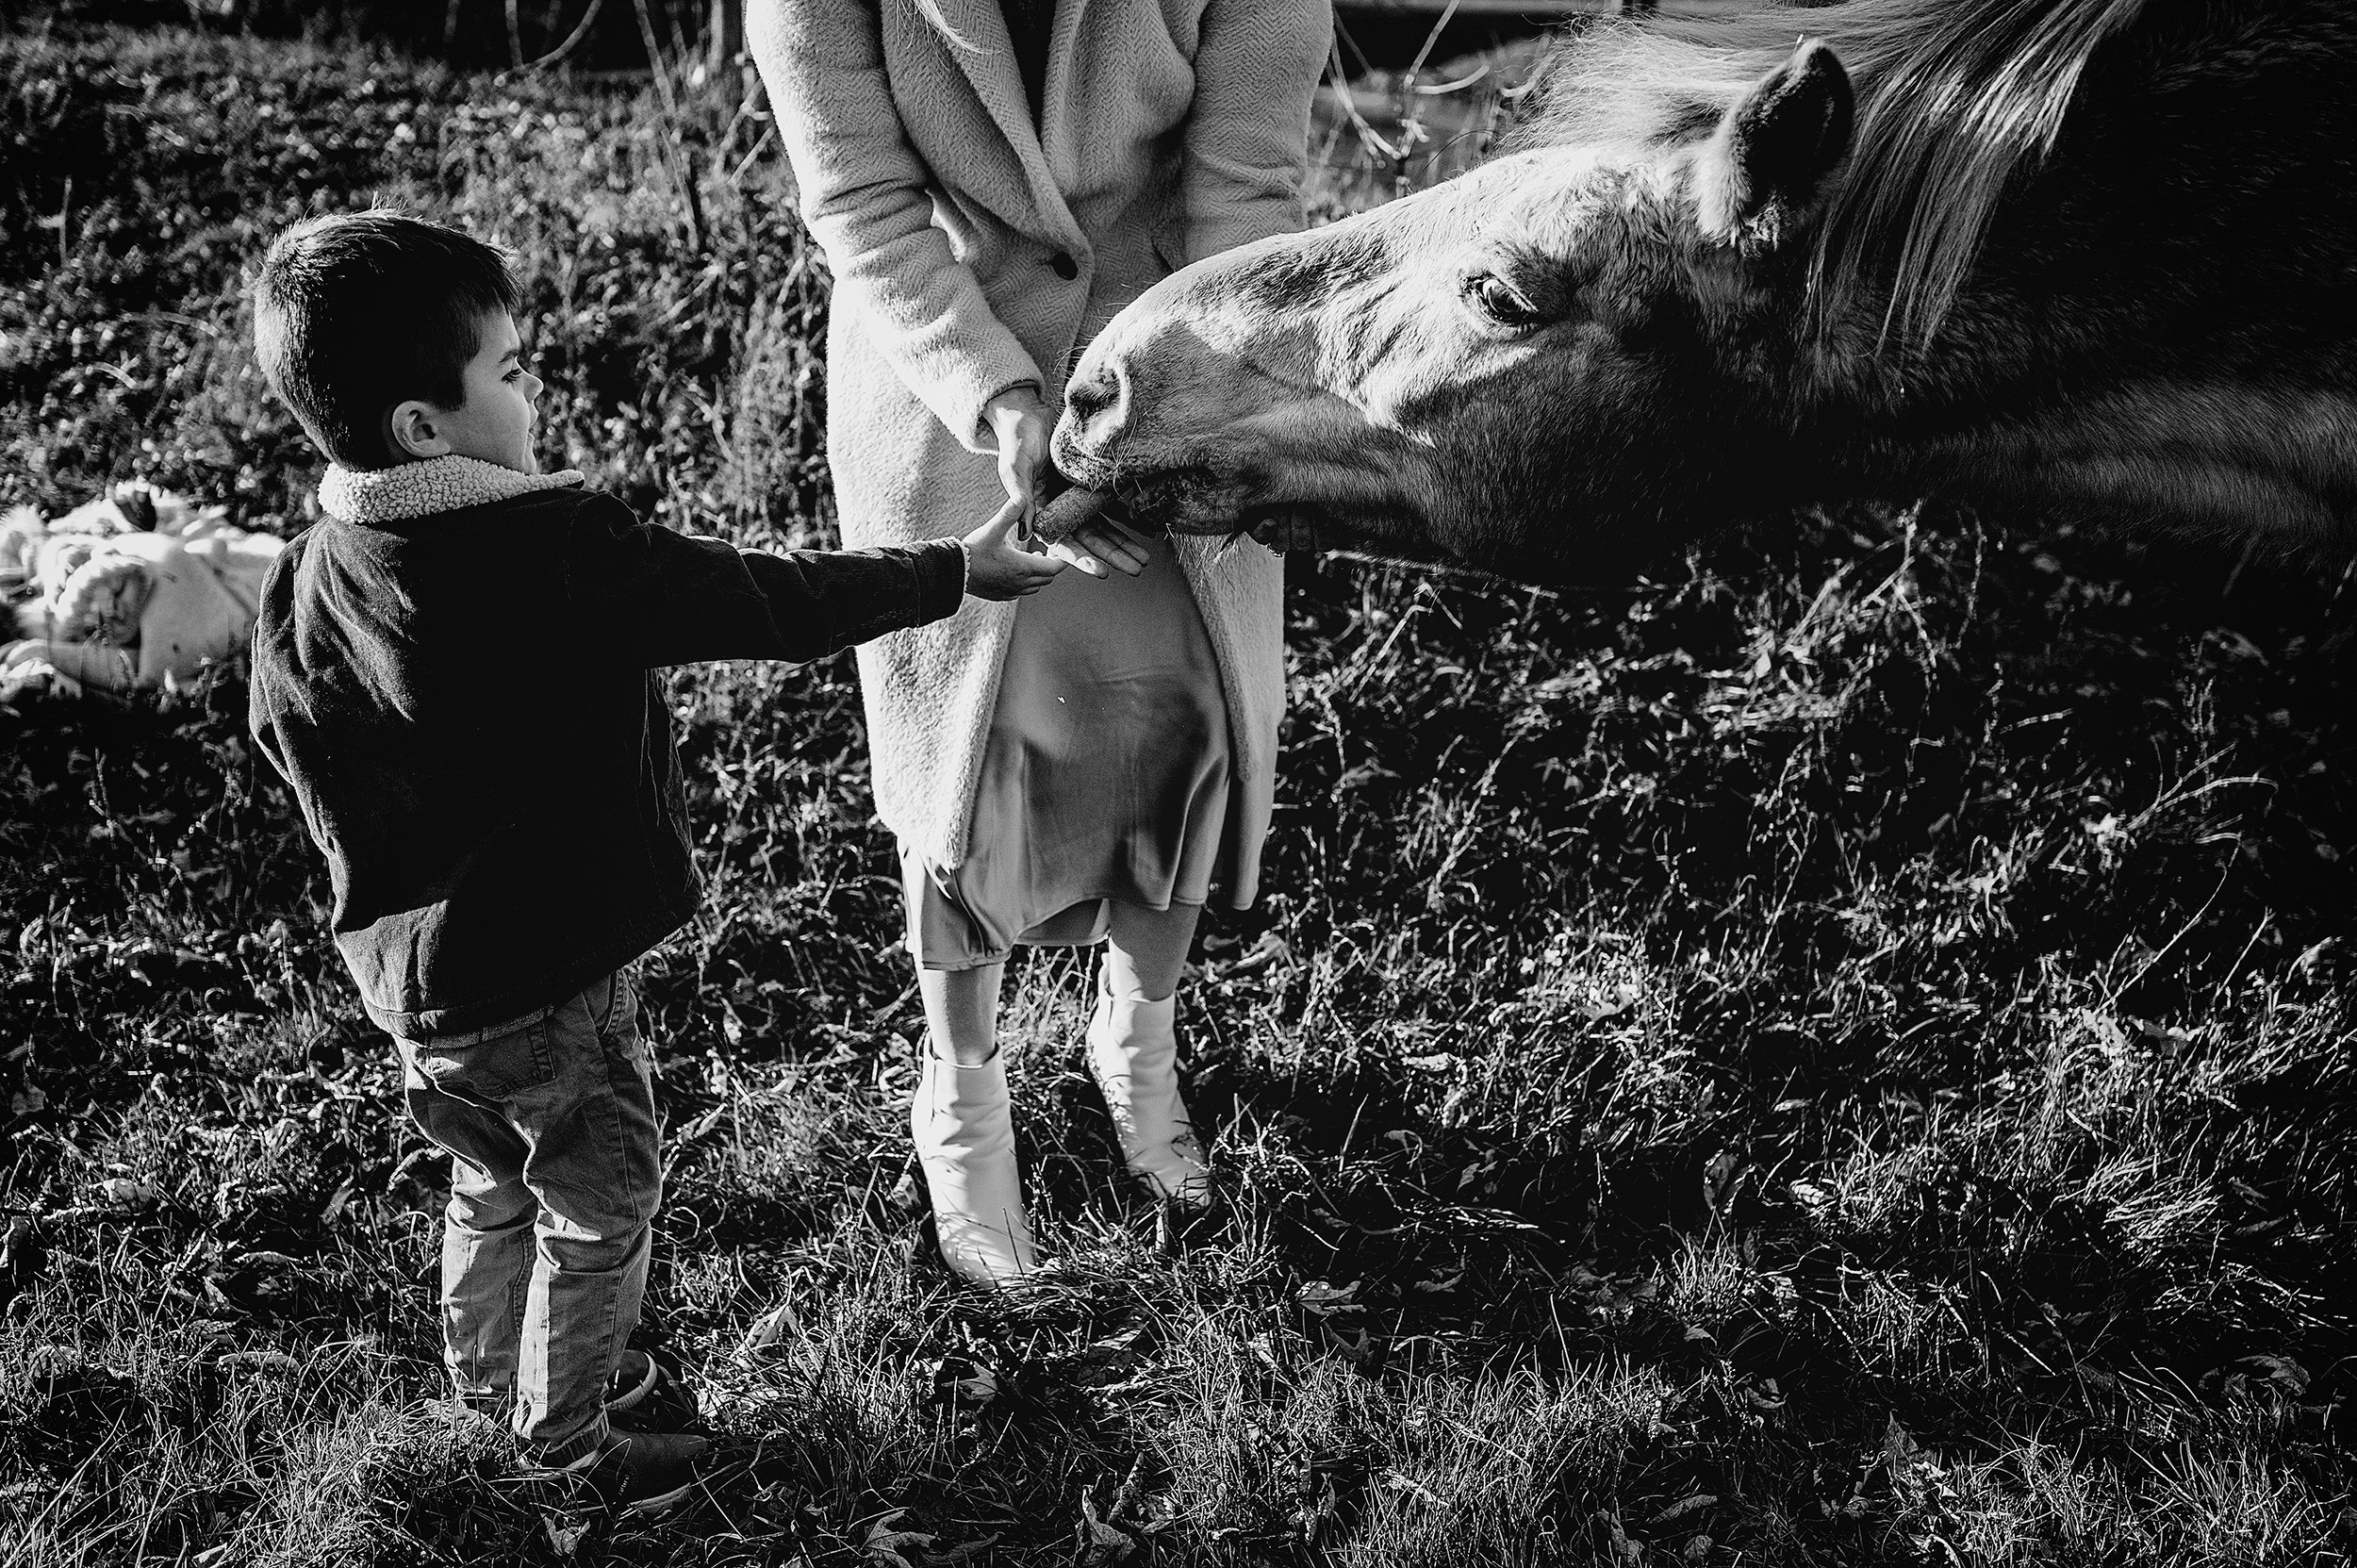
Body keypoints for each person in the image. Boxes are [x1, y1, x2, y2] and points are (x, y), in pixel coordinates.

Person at [243, 210, 1063, 1510]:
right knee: (598, 1199)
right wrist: (956, 569)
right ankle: (567, 1447)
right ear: (422, 427)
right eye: (510, 372)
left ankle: (492, 1396)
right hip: (551, 979)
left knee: (488, 1179)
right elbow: (767, 599)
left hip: (415, 990)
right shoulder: (553, 550)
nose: (533, 392)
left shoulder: (306, 578)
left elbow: (285, 737)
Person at [750, 0, 1330, 1285]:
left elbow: (1247, 188)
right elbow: (863, 206)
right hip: (948, 392)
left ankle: (1140, 1039)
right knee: (969, 776)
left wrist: (1179, 423)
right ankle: (959, 1090)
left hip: (1185, 369)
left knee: (1183, 729)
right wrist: (1006, 404)